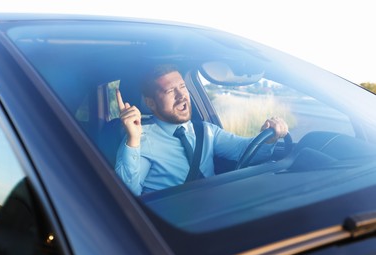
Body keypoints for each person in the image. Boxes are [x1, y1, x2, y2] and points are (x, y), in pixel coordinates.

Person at [115, 64, 288, 195]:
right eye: (170, 91)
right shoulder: (140, 138)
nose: (182, 95)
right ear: (150, 102)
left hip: (213, 213)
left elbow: (248, 152)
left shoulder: (207, 131)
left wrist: (269, 138)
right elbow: (127, 193)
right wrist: (133, 140)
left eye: (183, 87)